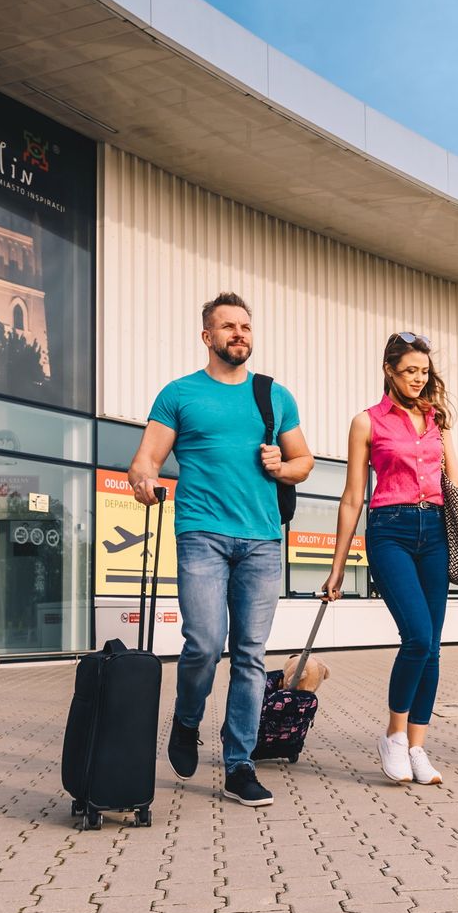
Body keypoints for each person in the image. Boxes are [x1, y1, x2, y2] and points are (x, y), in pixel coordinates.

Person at [126, 292, 314, 808]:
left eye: (245, 327)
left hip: (262, 540)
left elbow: (304, 462)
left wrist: (282, 466)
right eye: (228, 326)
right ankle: (187, 720)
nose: (239, 334)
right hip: (202, 533)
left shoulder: (273, 395)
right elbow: (145, 460)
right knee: (205, 644)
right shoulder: (180, 394)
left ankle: (239, 764)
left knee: (250, 654)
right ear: (207, 336)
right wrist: (143, 482)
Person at [321, 332, 458, 786]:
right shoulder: (367, 422)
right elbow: (352, 497)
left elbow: (457, 485)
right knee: (417, 637)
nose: (418, 379)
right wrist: (337, 567)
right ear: (389, 370)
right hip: (390, 532)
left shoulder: (436, 420)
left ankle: (418, 747)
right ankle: (394, 737)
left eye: (424, 371)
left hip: (435, 532)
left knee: (432, 647)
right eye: (410, 371)